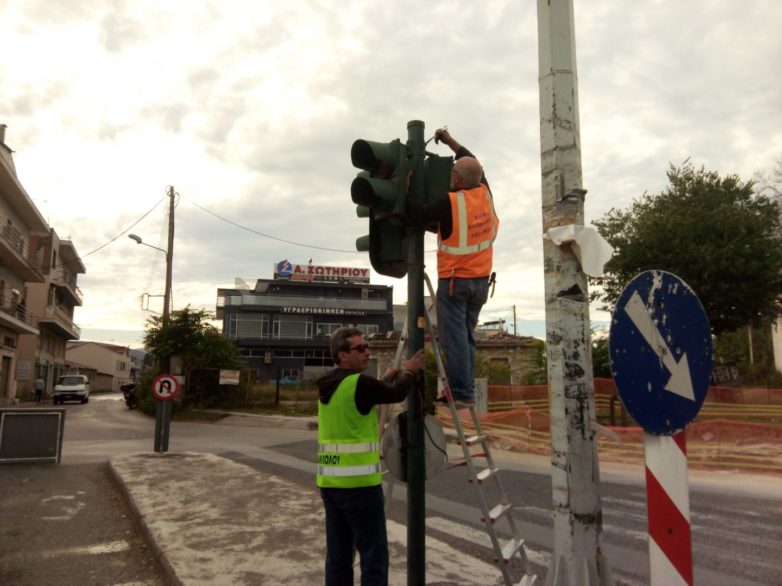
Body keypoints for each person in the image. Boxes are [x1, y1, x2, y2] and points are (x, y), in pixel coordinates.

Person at [316, 326, 425, 586]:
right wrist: (410, 371)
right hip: (360, 487)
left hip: (331, 485)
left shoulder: (330, 384)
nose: (367, 352)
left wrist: (386, 379)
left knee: (339, 557)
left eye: (367, 347)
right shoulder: (360, 384)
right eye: (360, 348)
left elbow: (366, 398)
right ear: (342, 355)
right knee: (373, 557)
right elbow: (397, 394)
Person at [407, 128, 499, 406]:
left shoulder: (451, 202)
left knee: (455, 341)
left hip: (455, 282)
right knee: (466, 338)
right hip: (481, 283)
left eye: (452, 172)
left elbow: (416, 214)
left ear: (457, 179)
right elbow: (471, 160)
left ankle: (460, 393)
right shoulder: (485, 192)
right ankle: (465, 390)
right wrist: (450, 142)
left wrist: (409, 187)